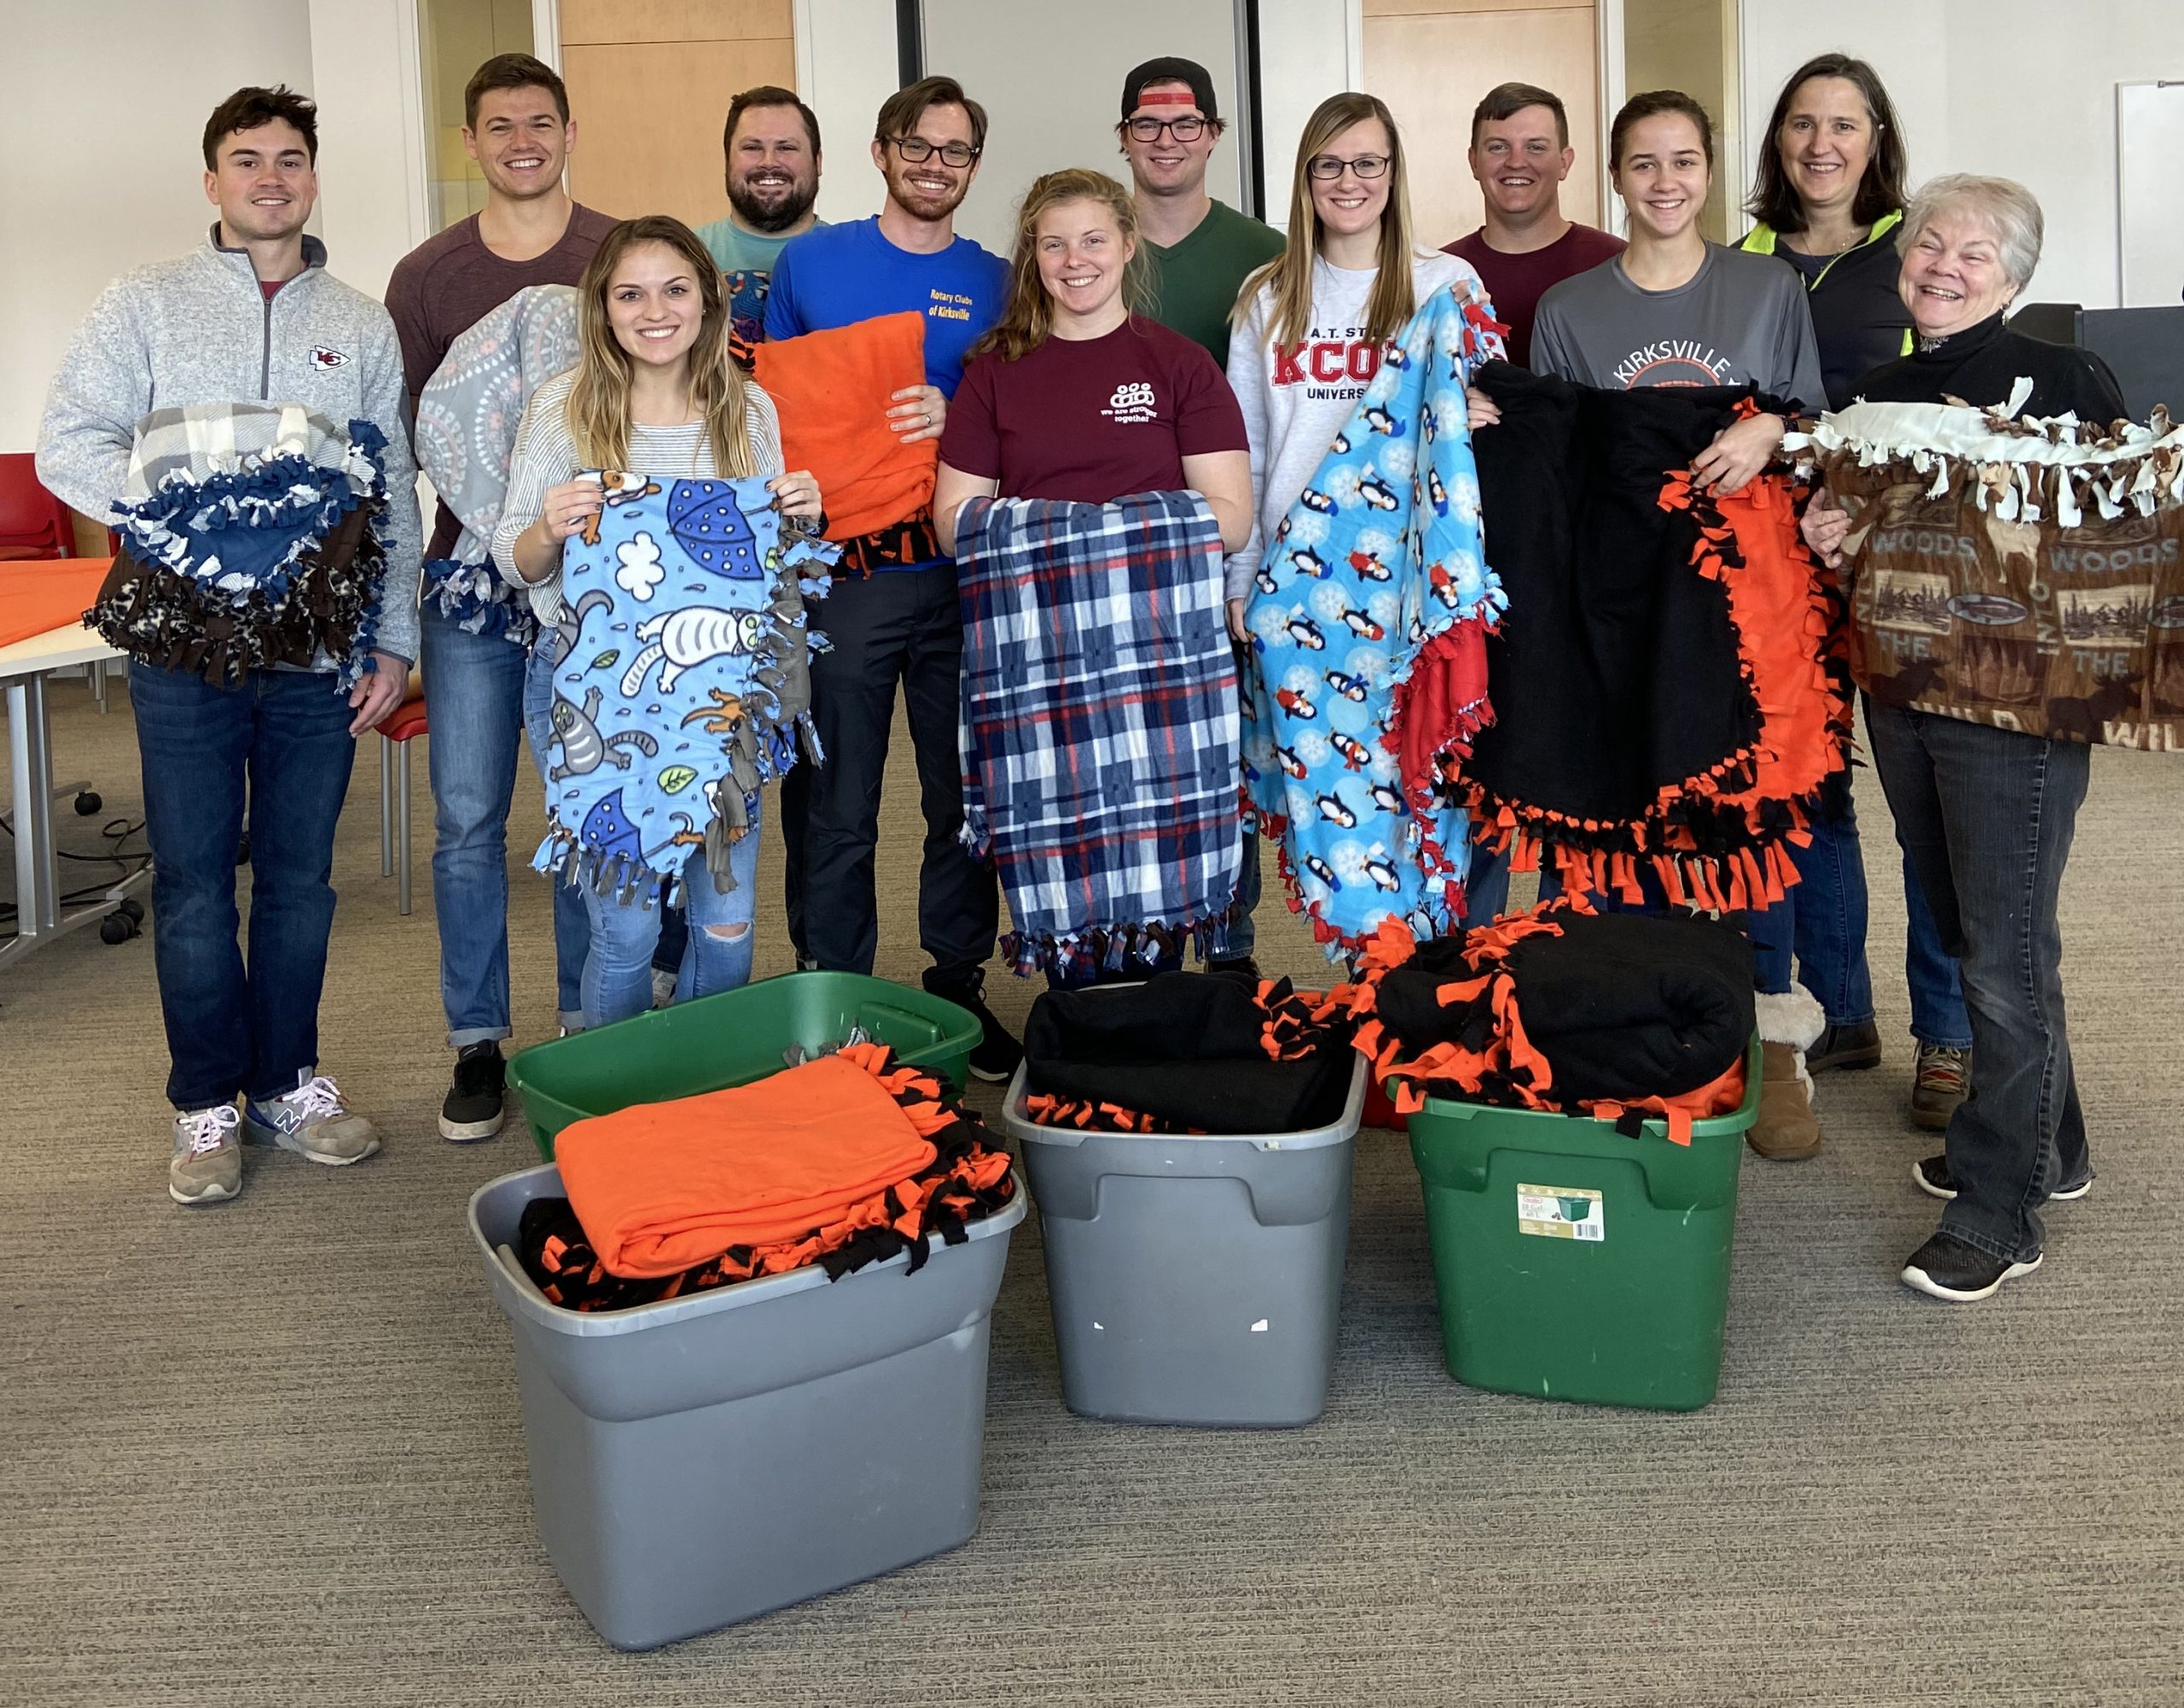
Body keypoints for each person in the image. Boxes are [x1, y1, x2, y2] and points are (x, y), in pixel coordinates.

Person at [37, 85, 420, 1206]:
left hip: (319, 649)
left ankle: (287, 1079)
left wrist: (391, 635)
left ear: (312, 176)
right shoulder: (142, 304)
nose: (269, 177)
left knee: (299, 879)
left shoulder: (356, 321)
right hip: (182, 644)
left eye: (289, 158)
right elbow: (70, 442)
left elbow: (391, 484)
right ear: (212, 182)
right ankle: (208, 1101)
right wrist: (188, 506)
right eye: (245, 160)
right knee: (200, 880)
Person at [1801, 175, 2126, 1302]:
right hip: (1899, 692)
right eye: (1929, 243)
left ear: (2017, 276)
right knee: (1963, 924)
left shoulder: (2065, 378)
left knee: (2002, 953)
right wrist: (1833, 522)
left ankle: (2001, 1208)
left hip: (2017, 705)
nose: (1942, 263)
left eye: (1973, 252)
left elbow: (2110, 530)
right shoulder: (1882, 391)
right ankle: (2054, 1142)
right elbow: (1842, 531)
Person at [1525, 90, 1829, 1163]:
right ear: (1612, 176)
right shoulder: (1568, 307)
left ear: (1710, 173)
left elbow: (1811, 422)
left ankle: (1771, 1042)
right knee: (1611, 810)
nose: (1665, 182)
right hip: (1614, 595)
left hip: (1742, 600)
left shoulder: (1764, 287)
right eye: (1643, 163)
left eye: (1685, 161)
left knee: (1745, 817)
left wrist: (1769, 427)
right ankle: (1618, 1027)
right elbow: (1552, 456)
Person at [495, 217, 822, 1029]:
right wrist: (549, 527)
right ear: (603, 309)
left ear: (708, 301)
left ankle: (698, 1092)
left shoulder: (746, 413)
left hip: (723, 702)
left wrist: (803, 518)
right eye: (630, 293)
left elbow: (771, 564)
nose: (654, 311)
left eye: (675, 289)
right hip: (596, 701)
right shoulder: (563, 411)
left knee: (727, 918)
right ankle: (618, 1105)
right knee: (629, 926)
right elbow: (517, 562)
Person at [933, 169, 1253, 983]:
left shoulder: (1178, 365)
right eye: (1053, 244)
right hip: (1041, 670)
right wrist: (1117, 531)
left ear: (1127, 246)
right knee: (1061, 857)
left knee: (1161, 865)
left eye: (1093, 240)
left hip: (1161, 665)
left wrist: (1070, 533)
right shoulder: (995, 370)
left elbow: (1231, 516)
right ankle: (1084, 1004)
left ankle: (1155, 1020)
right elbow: (955, 522)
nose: (1075, 261)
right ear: (1031, 257)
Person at [763, 76, 1019, 1078]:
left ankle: (956, 982)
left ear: (972, 167)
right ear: (879, 151)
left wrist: (958, 420)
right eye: (917, 145)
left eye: (954, 151)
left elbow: (1023, 419)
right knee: (839, 797)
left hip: (961, 575)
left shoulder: (999, 281)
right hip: (847, 576)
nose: (933, 164)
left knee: (965, 796)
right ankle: (835, 987)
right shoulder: (811, 264)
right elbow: (769, 415)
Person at [384, 52, 617, 1142]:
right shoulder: (426, 278)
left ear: (570, 133)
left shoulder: (620, 257)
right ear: (469, 144)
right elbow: (404, 446)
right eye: (498, 125)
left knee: (581, 807)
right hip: (465, 584)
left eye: (540, 121)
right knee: (469, 820)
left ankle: (581, 1028)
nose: (521, 139)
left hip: (597, 587)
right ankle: (477, 1041)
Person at [1740, 53, 1972, 1128]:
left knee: (1927, 804)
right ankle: (1836, 1012)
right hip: (1780, 574)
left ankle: (1949, 1037)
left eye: (1845, 125)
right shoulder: (1736, 260)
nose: (1821, 145)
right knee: (1810, 792)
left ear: (1875, 143)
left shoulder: (1913, 258)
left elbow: (1953, 414)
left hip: (1902, 568)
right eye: (1801, 124)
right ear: (1777, 140)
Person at [1115, 55, 1284, 976]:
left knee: (1220, 756)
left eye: (1185, 125)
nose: (1168, 141)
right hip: (1110, 548)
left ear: (1213, 135)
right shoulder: (1092, 243)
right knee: (1125, 757)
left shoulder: (1265, 253)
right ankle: (1133, 944)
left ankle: (1230, 945)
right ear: (1124, 139)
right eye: (1148, 126)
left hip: (1216, 539)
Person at [1227, 91, 1497, 644]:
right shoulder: (1266, 295)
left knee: (1407, 728)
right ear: (1307, 177)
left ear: (1393, 174)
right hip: (1291, 564)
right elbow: (1246, 450)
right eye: (1329, 164)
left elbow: (1493, 427)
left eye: (1367, 163)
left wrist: (1477, 412)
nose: (1348, 181)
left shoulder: (1447, 285)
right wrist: (1241, 569)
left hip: (1416, 559)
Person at [1443, 81, 1625, 369]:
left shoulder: (1617, 265)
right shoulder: (1442, 275)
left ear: (1565, 162)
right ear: (1474, 161)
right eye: (1498, 147)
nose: (1516, 162)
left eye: (1536, 147)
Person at [693, 84, 827, 345]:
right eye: (752, 148)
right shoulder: (682, 253)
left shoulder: (851, 258)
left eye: (786, 148)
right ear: (727, 160)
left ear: (817, 161)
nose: (768, 162)